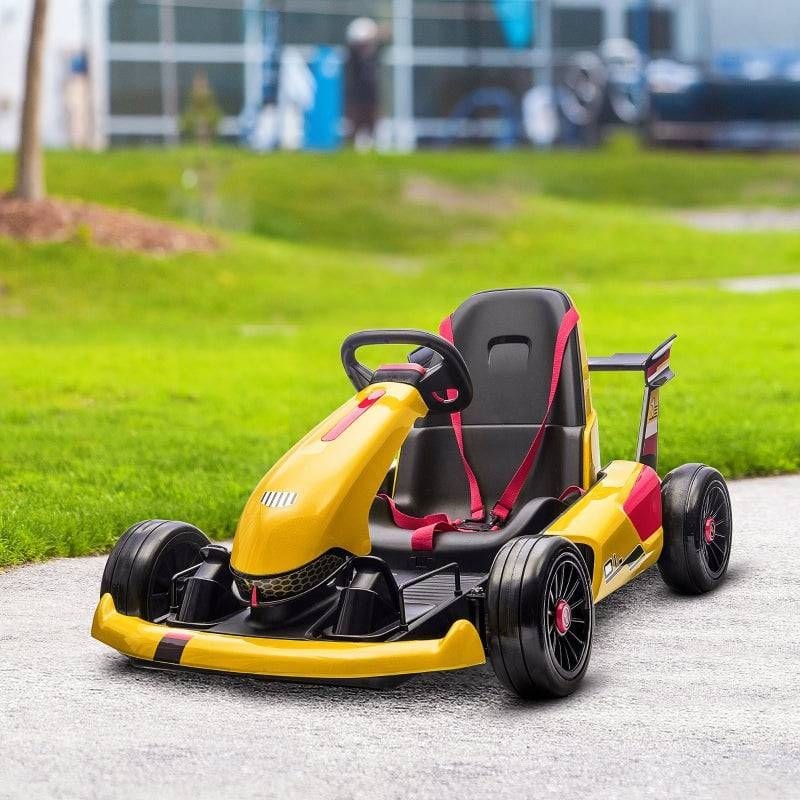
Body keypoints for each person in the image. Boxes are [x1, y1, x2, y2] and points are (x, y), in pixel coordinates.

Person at [345, 17, 381, 150]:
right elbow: (352, 48)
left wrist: (375, 33)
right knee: (355, 123)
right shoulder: (353, 56)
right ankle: (351, 146)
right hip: (357, 96)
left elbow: (385, 40)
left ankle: (372, 144)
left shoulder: (374, 55)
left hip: (372, 95)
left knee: (372, 123)